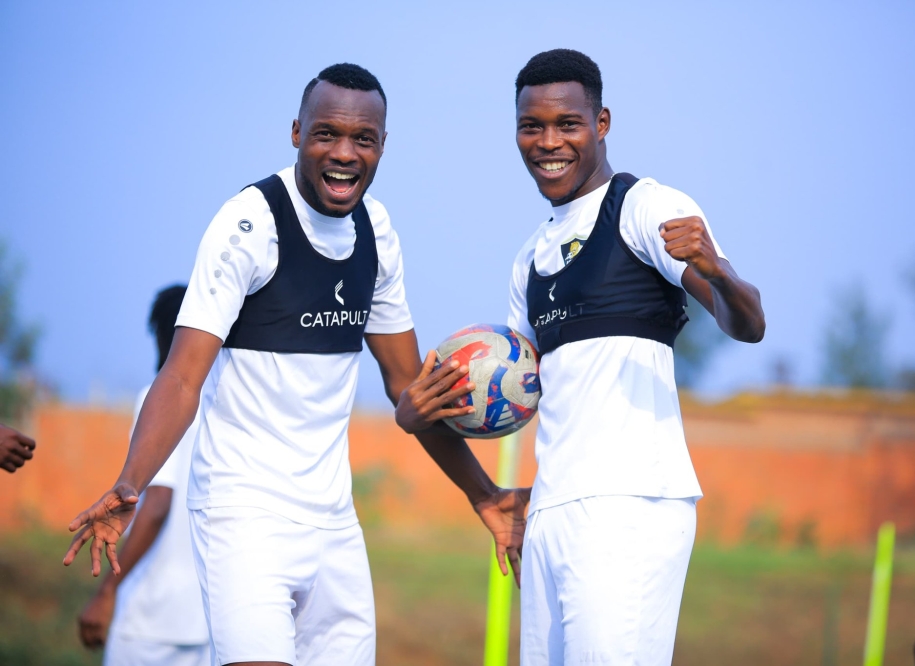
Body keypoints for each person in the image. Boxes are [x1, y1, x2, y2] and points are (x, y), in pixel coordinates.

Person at [64, 63, 526, 666]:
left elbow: (405, 387)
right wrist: (131, 483)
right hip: (243, 511)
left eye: (363, 139)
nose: (344, 153)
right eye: (325, 134)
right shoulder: (248, 225)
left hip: (333, 520)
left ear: (383, 145)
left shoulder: (376, 231)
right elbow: (180, 378)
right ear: (295, 133)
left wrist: (483, 493)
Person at [502, 49, 764, 665]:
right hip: (549, 511)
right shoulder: (527, 257)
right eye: (530, 126)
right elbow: (519, 391)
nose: (548, 141)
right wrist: (447, 396)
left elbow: (747, 324)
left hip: (630, 504)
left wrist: (717, 271)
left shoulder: (645, 206)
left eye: (567, 123)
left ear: (602, 122)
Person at [77, 285, 209, 665]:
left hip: (152, 618)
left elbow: (156, 505)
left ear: (164, 334)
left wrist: (106, 592)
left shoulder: (158, 399)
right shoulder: (222, 405)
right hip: (207, 618)